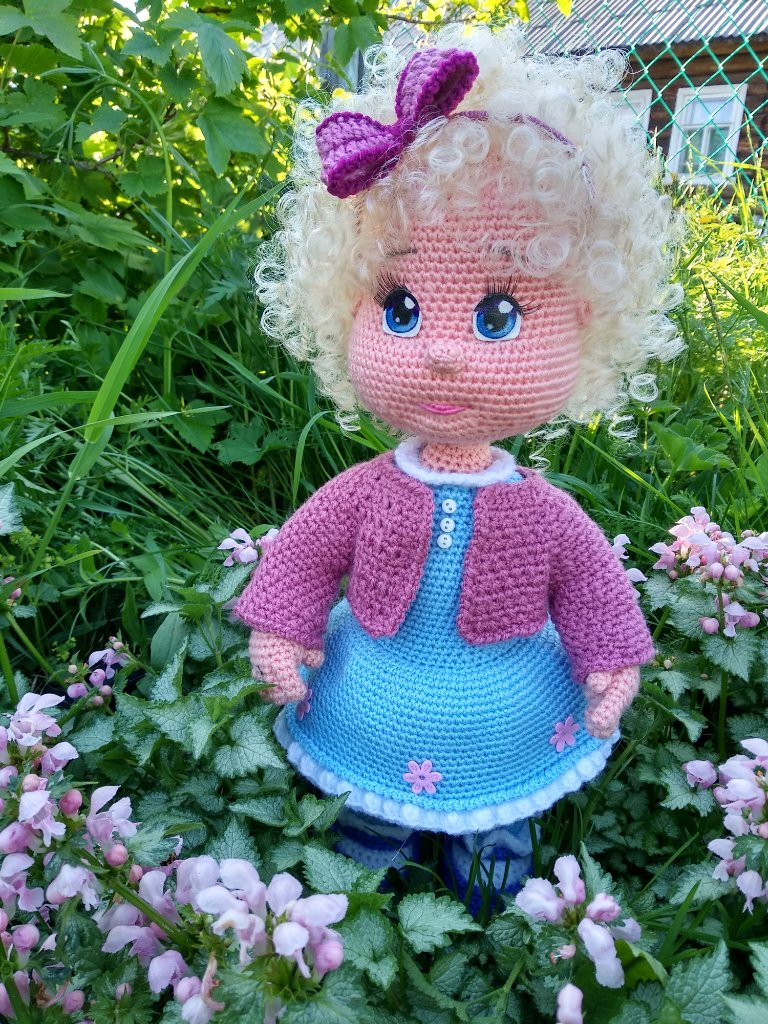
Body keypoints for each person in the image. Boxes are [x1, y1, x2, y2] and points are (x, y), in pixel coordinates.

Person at [234, 26, 682, 901]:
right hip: (373, 689)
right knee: (363, 804)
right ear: (346, 307)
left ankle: (491, 876)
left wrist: (608, 656)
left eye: (497, 316)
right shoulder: (361, 493)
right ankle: (363, 873)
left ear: (584, 321)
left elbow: (590, 582)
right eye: (400, 308)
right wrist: (281, 625)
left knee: (497, 802)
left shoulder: (544, 512)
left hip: (504, 702)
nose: (441, 354)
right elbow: (305, 555)